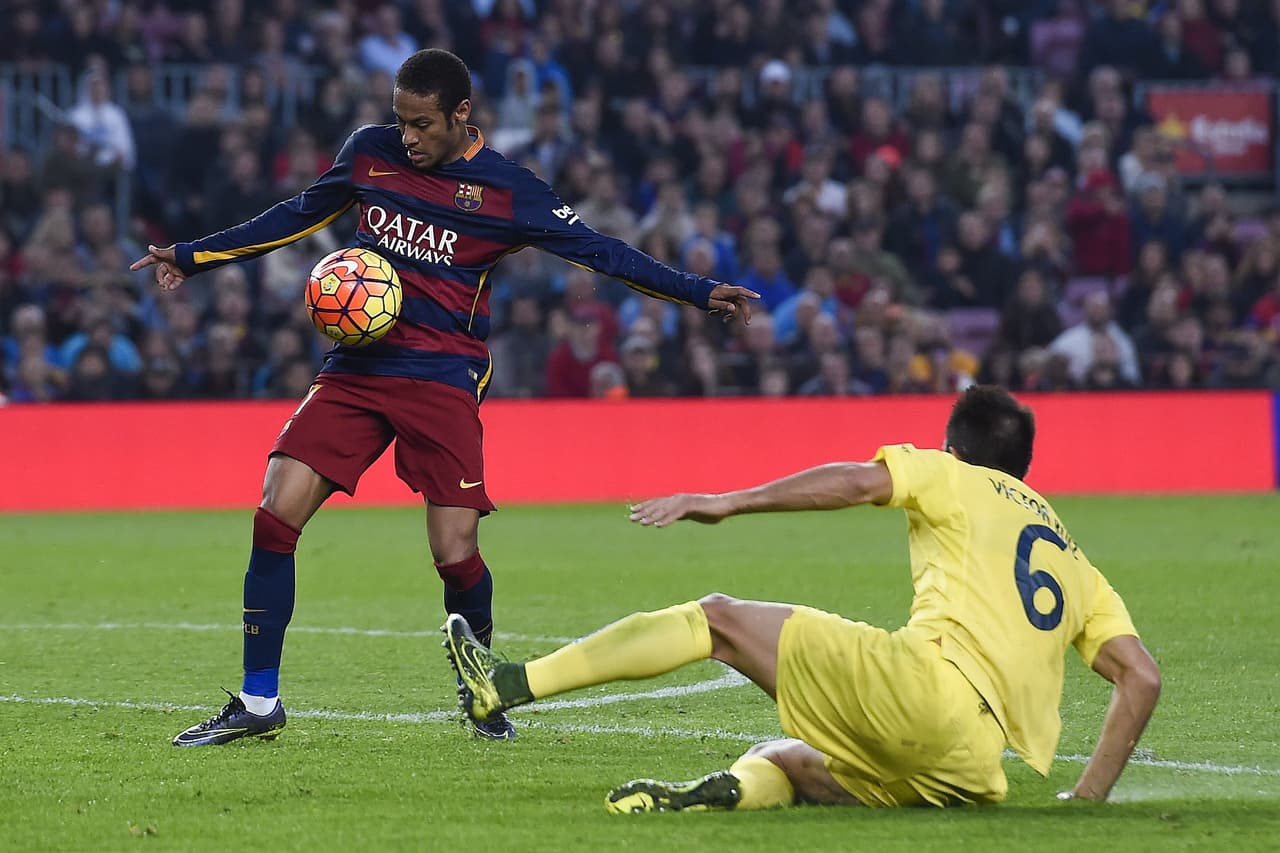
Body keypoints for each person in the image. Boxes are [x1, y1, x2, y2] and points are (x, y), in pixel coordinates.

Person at [131, 49, 757, 747]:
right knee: (275, 512)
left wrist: (700, 291)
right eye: (401, 121)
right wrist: (190, 256)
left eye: (422, 123)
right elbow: (295, 216)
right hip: (358, 368)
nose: (408, 137)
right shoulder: (369, 155)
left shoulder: (509, 191)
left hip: (442, 375)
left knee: (454, 552)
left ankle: (480, 687)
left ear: (462, 114)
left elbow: (602, 252)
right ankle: (257, 700)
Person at [446, 386, 1160, 810]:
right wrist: (1085, 799)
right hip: (972, 767)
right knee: (786, 756)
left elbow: (856, 482)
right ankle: (721, 792)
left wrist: (727, 502)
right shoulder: (1073, 558)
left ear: (953, 444)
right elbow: (1141, 676)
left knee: (719, 618)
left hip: (923, 690)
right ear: (1024, 465)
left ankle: (504, 684)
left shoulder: (954, 475)